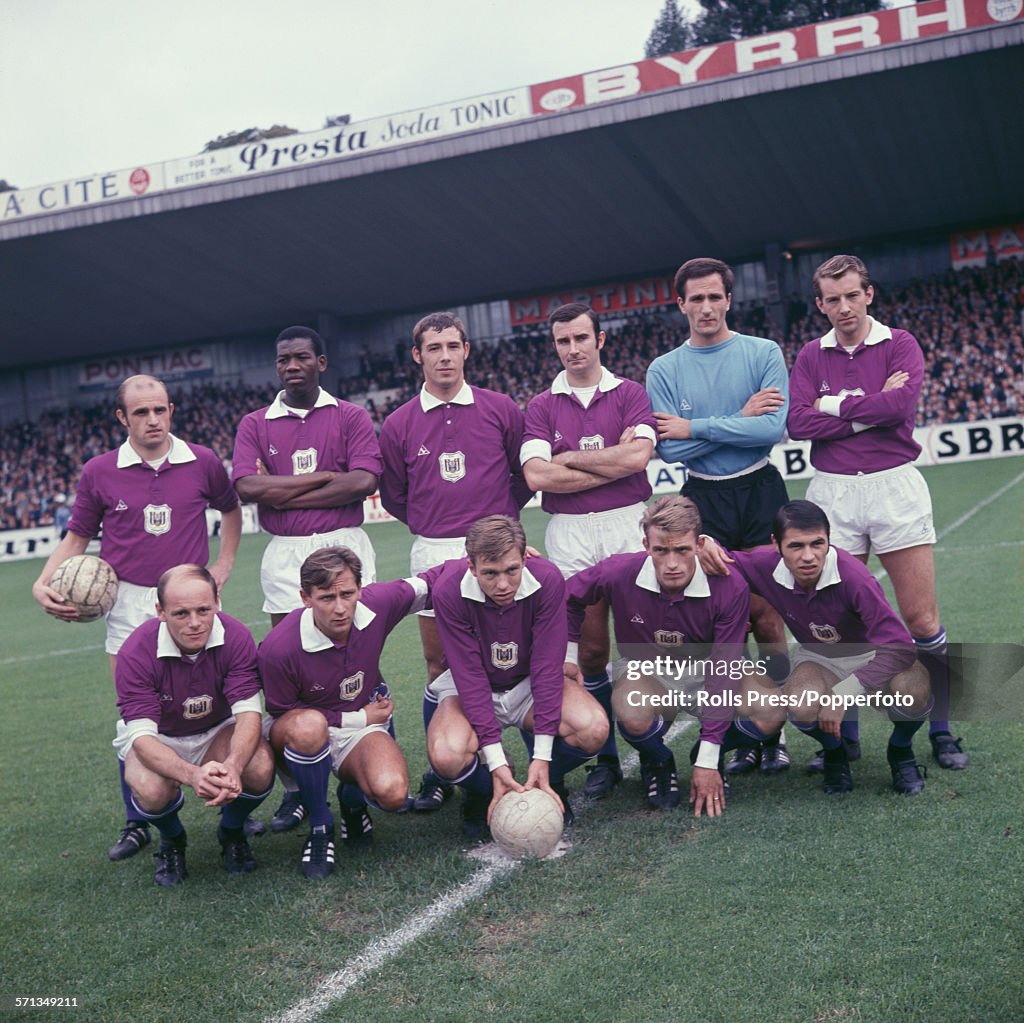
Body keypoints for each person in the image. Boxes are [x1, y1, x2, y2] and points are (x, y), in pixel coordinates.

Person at [31, 374, 242, 862]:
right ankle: (139, 820)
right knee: (134, 714)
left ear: (171, 410)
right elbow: (77, 537)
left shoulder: (202, 460)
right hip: (127, 605)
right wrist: (44, 582)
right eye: (141, 413)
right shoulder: (100, 471)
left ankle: (233, 802)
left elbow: (231, 511)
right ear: (122, 418)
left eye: (160, 410)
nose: (153, 420)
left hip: (190, 598)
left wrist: (223, 565)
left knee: (218, 700)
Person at [787, 254, 967, 772]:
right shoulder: (809, 356)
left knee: (920, 618)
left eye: (851, 295)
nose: (843, 307)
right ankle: (847, 737)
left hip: (894, 486)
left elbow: (900, 409)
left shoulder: (901, 343)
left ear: (868, 294)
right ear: (820, 305)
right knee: (844, 626)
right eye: (832, 299)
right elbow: (798, 423)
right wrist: (867, 406)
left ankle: (942, 729)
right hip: (833, 493)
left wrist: (834, 408)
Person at [378, 311, 532, 813]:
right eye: (433, 347)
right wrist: (436, 523)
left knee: (516, 656)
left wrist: (499, 531)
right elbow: (396, 497)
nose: (444, 356)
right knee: (440, 663)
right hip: (434, 550)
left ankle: (535, 764)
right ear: (417, 356)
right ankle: (452, 776)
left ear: (466, 350)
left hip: (499, 552)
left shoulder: (500, 408)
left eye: (452, 346)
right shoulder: (399, 422)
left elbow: (522, 475)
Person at [232, 326, 383, 833]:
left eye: (301, 358)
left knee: (358, 656)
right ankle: (297, 789)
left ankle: (356, 775)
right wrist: (323, 479)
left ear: (321, 362)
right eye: (283, 360)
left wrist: (284, 490)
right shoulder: (255, 422)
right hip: (285, 554)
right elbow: (248, 486)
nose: (291, 366)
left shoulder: (350, 415)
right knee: (286, 668)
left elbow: (364, 481)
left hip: (345, 543)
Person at [646, 256, 792, 773]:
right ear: (681, 303)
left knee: (770, 615)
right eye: (696, 298)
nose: (706, 307)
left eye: (715, 297)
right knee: (720, 620)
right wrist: (735, 419)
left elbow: (771, 432)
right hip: (702, 499)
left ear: (729, 300)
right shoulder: (664, 369)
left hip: (761, 489)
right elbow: (669, 451)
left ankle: (771, 734)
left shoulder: (763, 352)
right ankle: (737, 727)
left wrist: (696, 427)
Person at [701, 500, 932, 796]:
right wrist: (704, 541)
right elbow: (715, 559)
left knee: (915, 686)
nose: (808, 556)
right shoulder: (763, 566)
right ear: (776, 544)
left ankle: (900, 751)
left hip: (875, 655)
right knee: (800, 702)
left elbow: (900, 648)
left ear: (828, 540)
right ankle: (835, 753)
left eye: (817, 544)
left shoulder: (854, 576)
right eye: (796, 546)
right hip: (821, 659)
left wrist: (842, 695)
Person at [520, 302, 656, 800]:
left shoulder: (629, 392)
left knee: (639, 643)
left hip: (627, 523)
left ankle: (654, 755)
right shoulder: (540, 406)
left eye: (581, 338)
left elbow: (639, 457)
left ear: (600, 339)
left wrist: (572, 456)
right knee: (592, 650)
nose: (573, 349)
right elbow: (537, 475)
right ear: (554, 345)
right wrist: (611, 461)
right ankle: (607, 760)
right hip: (570, 530)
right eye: (563, 341)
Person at [567, 496, 752, 817]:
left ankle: (708, 752)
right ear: (646, 545)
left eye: (682, 549)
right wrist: (568, 655)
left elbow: (725, 670)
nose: (672, 563)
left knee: (767, 711)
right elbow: (565, 596)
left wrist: (707, 759)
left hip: (707, 670)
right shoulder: (619, 571)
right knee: (631, 707)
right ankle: (658, 759)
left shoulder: (728, 584)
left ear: (699, 544)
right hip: (646, 671)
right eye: (660, 550)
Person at [427, 515, 608, 839]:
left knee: (593, 728)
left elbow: (545, 668)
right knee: (446, 755)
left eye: (512, 570)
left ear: (526, 558)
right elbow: (469, 677)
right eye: (490, 573)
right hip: (471, 684)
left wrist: (542, 757)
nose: (503, 584)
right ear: (471, 566)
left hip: (527, 682)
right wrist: (496, 760)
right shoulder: (448, 590)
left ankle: (547, 778)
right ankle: (486, 786)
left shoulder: (548, 579)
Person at [257, 546, 430, 878]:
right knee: (308, 728)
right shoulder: (278, 648)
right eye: (326, 597)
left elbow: (434, 582)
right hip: (308, 727)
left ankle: (351, 801)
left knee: (394, 794)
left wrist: (510, 559)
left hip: (361, 725)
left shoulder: (377, 605)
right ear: (305, 598)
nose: (339, 608)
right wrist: (359, 718)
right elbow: (282, 714)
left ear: (360, 590)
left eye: (347, 594)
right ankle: (320, 825)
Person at [113, 565, 273, 886]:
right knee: (150, 787)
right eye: (181, 613)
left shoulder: (236, 635)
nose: (196, 623)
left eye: (204, 609)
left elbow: (248, 715)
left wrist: (233, 765)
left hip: (218, 729)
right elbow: (142, 738)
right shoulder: (135, 651)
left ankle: (231, 830)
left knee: (258, 766)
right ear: (160, 611)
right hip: (161, 737)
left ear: (217, 599)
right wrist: (192, 774)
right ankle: (172, 839)